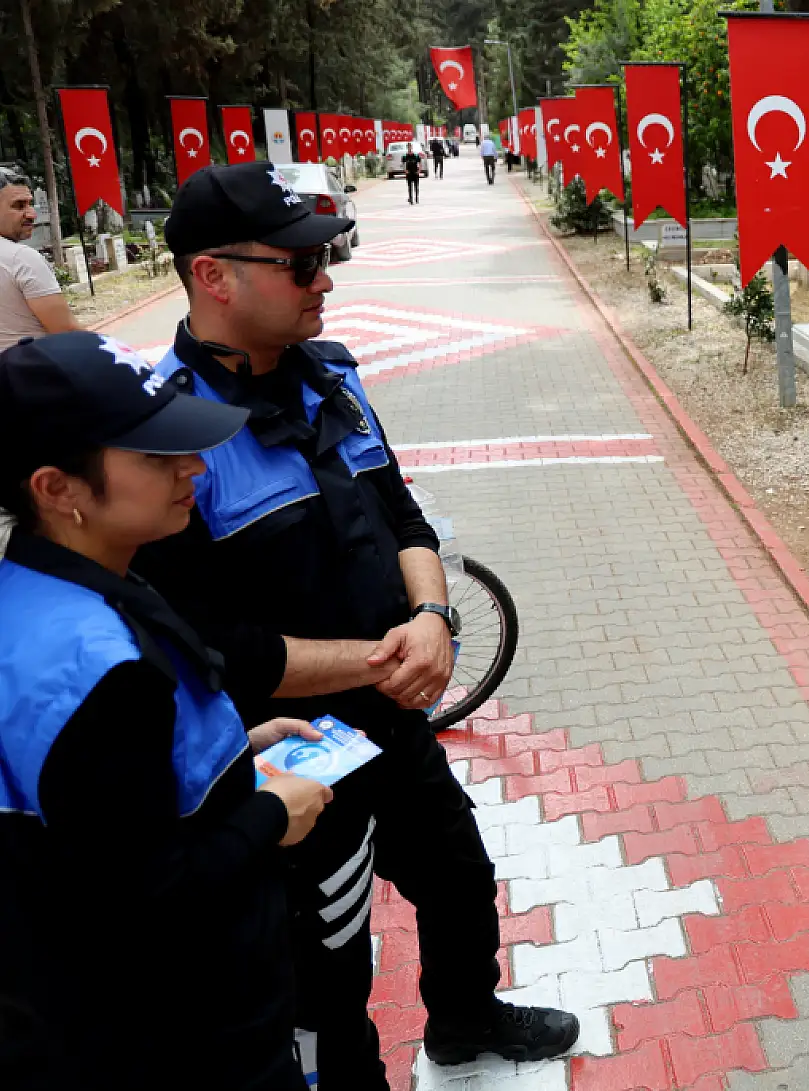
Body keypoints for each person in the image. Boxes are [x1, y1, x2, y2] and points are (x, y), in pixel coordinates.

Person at [138, 162, 579, 1088]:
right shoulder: (167, 439)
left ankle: (464, 1018)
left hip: (389, 713)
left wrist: (434, 616)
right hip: (288, 747)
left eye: (326, 256)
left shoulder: (329, 379)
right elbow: (213, 649)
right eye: (300, 265)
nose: (325, 278)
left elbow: (404, 515)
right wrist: (384, 660)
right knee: (327, 976)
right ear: (214, 276)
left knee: (459, 872)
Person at [0, 331, 335, 1089]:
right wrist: (272, 812)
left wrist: (230, 752)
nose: (194, 468)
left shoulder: (44, 587)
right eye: (156, 457)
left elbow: (101, 807)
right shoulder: (102, 671)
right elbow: (150, 895)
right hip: (179, 1033)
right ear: (58, 489)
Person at [0, 169, 78, 349]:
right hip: (31, 371)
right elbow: (68, 332)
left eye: (29, 204)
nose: (31, 214)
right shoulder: (20, 258)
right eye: (19, 206)